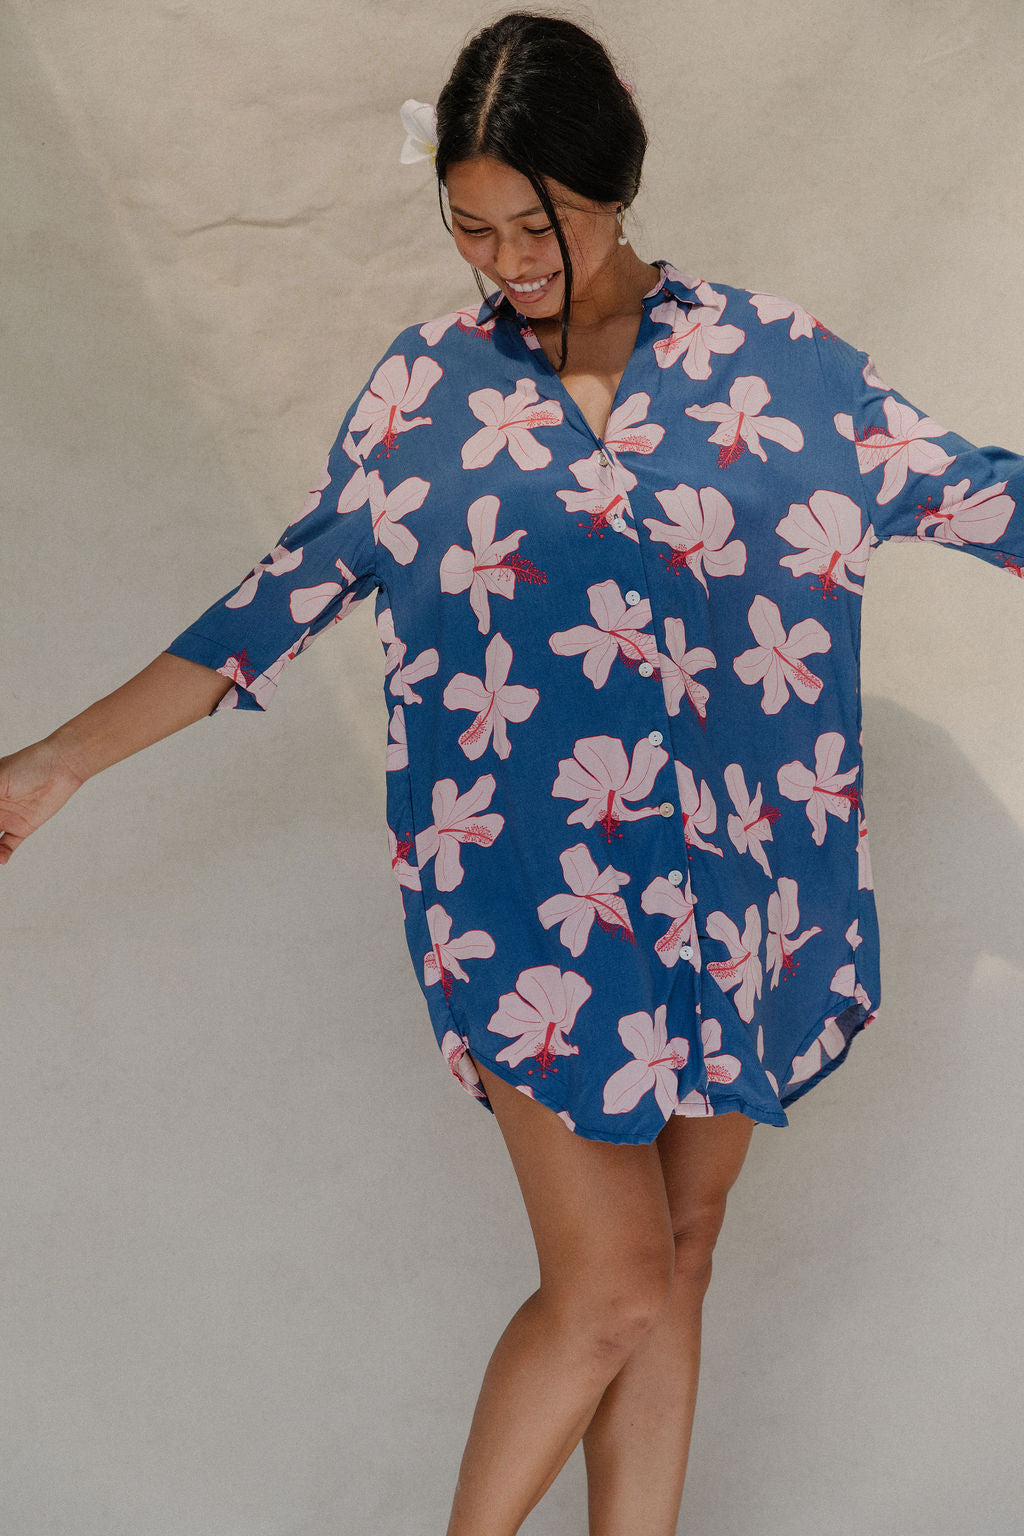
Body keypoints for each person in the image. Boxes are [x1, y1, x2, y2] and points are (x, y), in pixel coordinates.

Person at [2, 10, 1022, 1533]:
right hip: (529, 902)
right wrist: (50, 766)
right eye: (469, 228)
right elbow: (272, 603)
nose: (503, 262)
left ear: (612, 181)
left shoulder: (780, 367)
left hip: (745, 890)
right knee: (605, 1288)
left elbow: (977, 494)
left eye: (532, 224)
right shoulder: (426, 396)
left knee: (682, 1253)